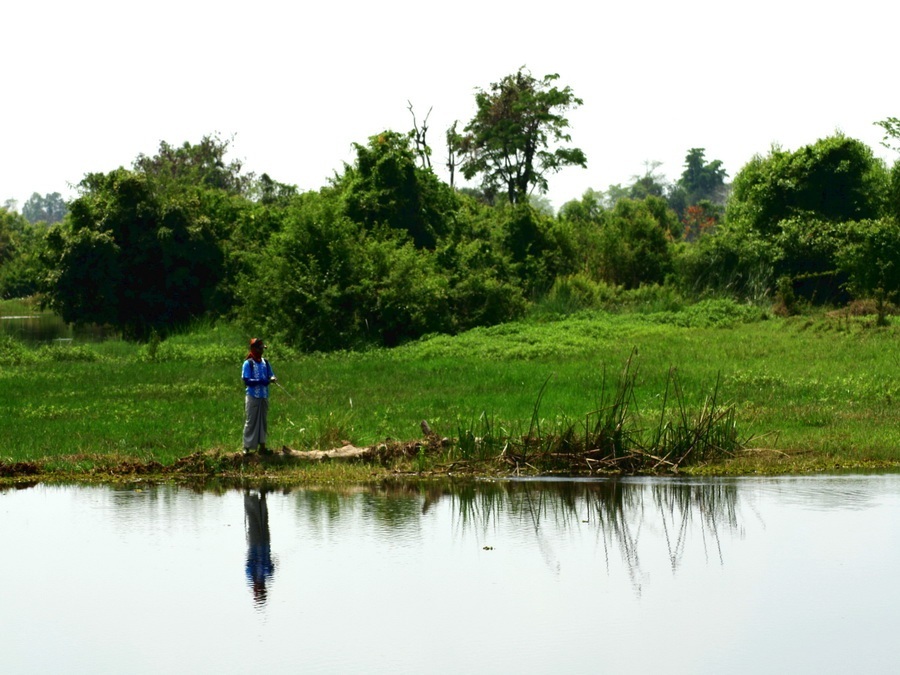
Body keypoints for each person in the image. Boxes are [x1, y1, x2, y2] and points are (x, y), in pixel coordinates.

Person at [242, 337, 276, 455]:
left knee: (263, 421)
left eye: (263, 349)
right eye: (260, 349)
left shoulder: (265, 362)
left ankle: (262, 446)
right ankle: (247, 447)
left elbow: (271, 374)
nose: (262, 351)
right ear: (253, 349)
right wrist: (261, 381)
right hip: (252, 396)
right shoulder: (248, 363)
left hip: (264, 396)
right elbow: (247, 380)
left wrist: (272, 378)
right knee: (251, 421)